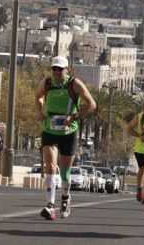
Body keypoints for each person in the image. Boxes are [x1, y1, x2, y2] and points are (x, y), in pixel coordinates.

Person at [35, 56, 96, 220]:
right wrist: (40, 111)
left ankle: (65, 197)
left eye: (59, 69)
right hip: (49, 129)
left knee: (64, 172)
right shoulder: (47, 83)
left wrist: (74, 116)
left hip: (68, 132)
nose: (56, 72)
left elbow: (91, 104)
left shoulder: (74, 84)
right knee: (50, 165)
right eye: (54, 68)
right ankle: (50, 204)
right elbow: (38, 96)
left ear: (66, 69)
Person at [125, 98, 144, 202]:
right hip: (140, 148)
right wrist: (138, 136)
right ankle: (140, 189)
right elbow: (128, 128)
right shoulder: (139, 116)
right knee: (143, 169)